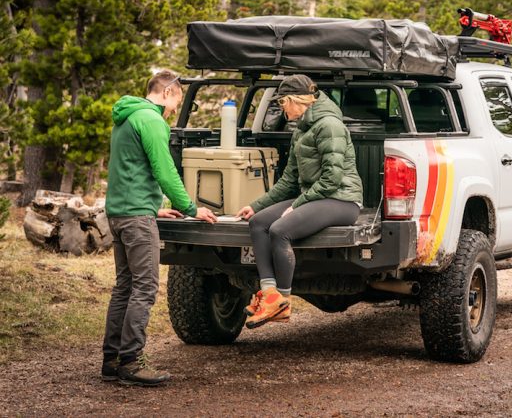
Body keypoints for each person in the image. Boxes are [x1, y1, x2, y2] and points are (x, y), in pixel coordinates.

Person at [102, 70, 217, 386]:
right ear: (168, 92)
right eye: (176, 101)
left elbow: (129, 170)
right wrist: (192, 209)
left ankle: (112, 360)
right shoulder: (152, 121)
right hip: (137, 218)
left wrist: (154, 208)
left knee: (125, 286)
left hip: (120, 212)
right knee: (145, 286)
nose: (173, 109)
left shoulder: (126, 117)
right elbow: (165, 172)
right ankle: (132, 361)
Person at [236, 74, 363, 329]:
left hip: (341, 200)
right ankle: (270, 295)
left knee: (280, 230)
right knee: (259, 223)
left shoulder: (329, 125)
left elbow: (332, 179)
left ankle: (282, 300)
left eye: (283, 102)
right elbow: (289, 181)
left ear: (296, 100)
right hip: (315, 197)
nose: (282, 108)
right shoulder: (301, 129)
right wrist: (257, 205)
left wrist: (297, 205)